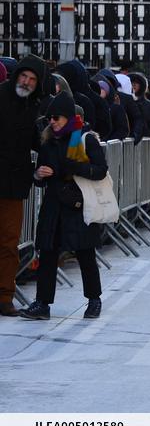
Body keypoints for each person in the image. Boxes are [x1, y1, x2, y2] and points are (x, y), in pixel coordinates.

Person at [18, 91, 107, 321]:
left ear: (68, 117)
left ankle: (94, 299)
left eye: (56, 117)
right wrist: (39, 174)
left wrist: (73, 167)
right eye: (50, 118)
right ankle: (42, 303)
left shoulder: (85, 139)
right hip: (54, 205)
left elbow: (100, 170)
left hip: (78, 204)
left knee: (85, 253)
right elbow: (41, 174)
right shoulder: (48, 142)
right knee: (47, 254)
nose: (52, 122)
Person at [0, 54, 46, 317]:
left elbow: (36, 141)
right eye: (24, 76)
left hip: (13, 186)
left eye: (32, 79)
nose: (26, 82)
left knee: (8, 243)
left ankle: (5, 295)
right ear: (16, 74)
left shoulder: (33, 106)